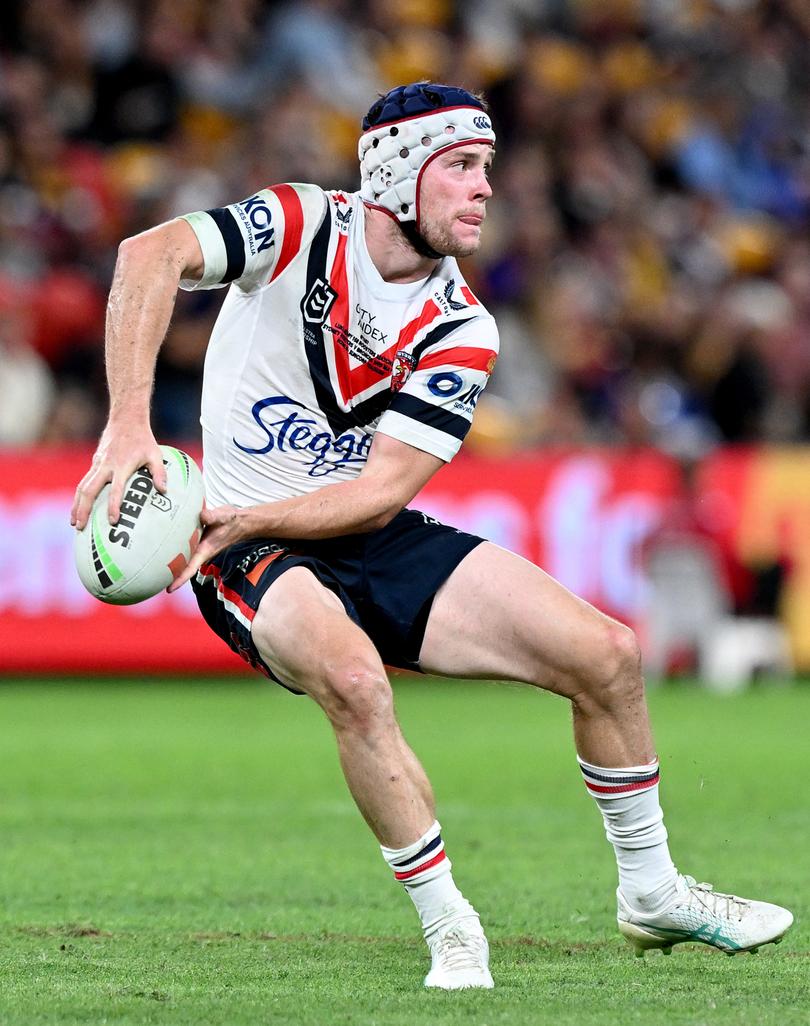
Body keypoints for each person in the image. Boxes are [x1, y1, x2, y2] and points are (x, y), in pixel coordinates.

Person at [71, 82, 793, 990]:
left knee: (608, 655)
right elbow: (149, 255)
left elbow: (380, 492)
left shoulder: (464, 325)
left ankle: (651, 893)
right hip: (248, 554)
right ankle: (452, 927)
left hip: (321, 525)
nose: (485, 189)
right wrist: (130, 425)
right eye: (461, 167)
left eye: (486, 168)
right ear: (396, 172)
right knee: (354, 680)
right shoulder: (298, 222)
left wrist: (239, 514)